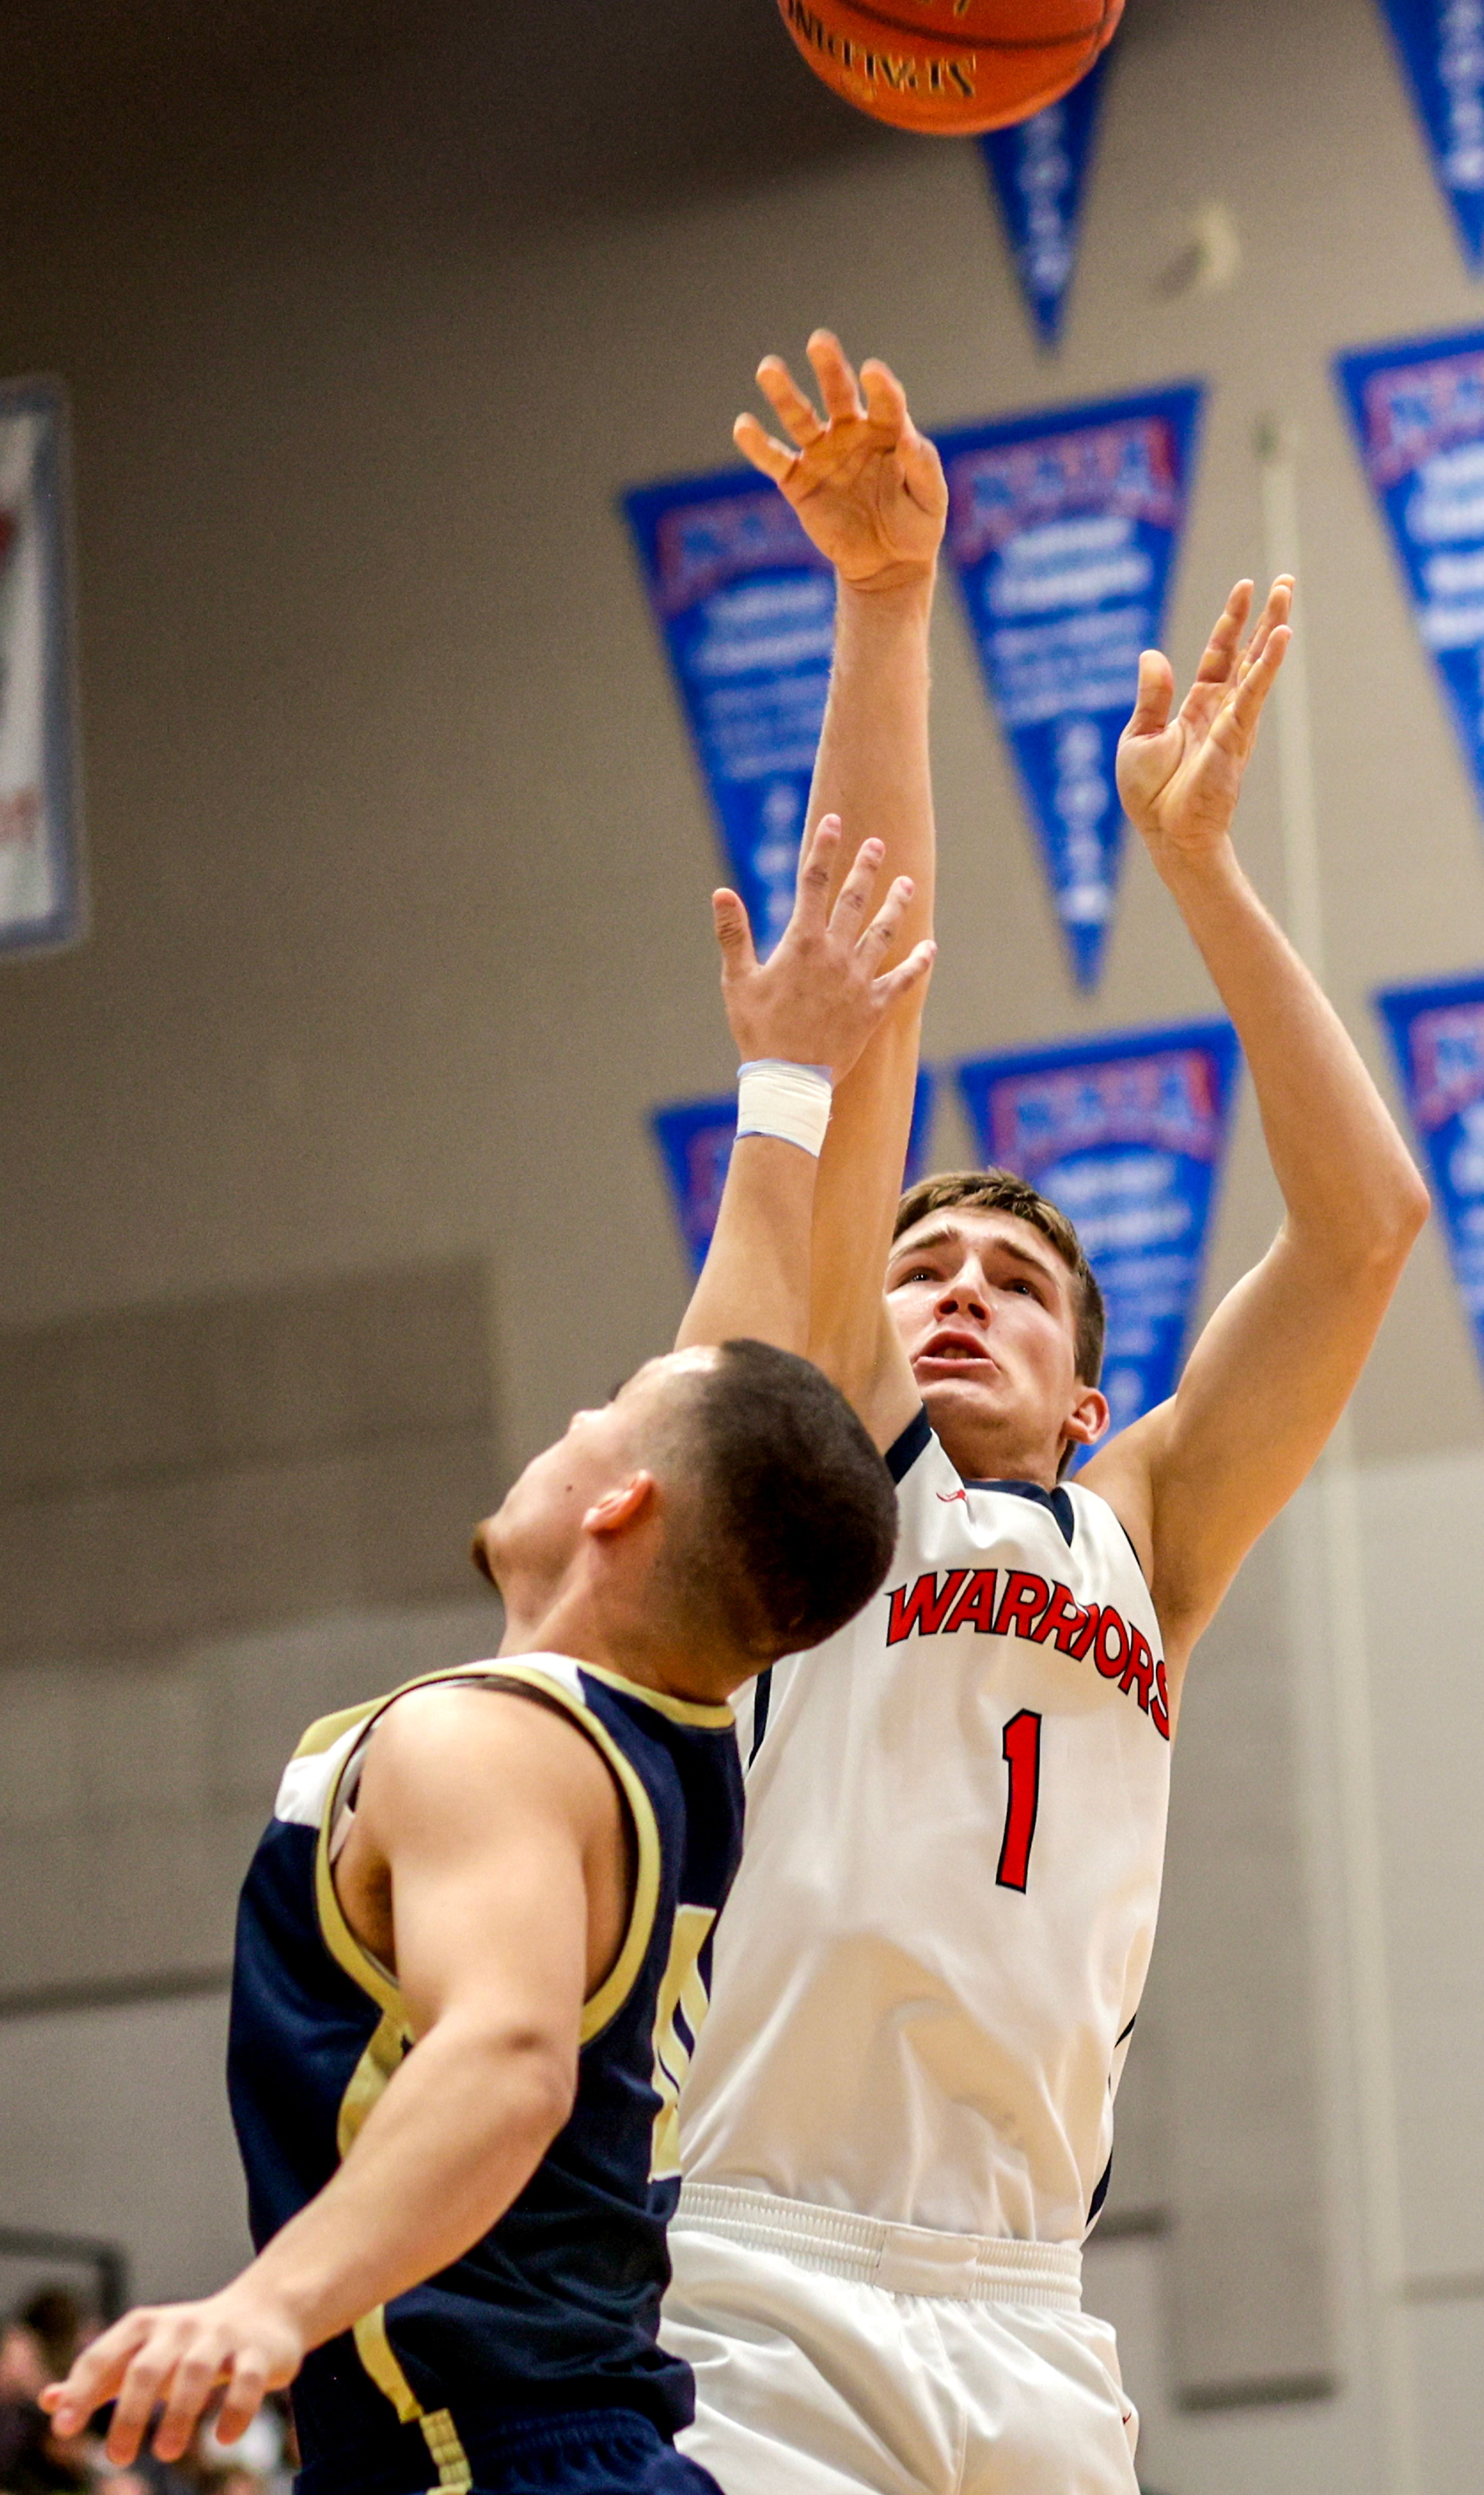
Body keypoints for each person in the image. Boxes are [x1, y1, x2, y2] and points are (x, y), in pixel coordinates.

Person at [662, 336, 1430, 2495]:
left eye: (1015, 1278)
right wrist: (892, 612)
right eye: (923, 1271)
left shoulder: (1148, 1528)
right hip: (764, 2275)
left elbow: (1365, 1231)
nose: (960, 1290)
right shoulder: (827, 1485)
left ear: (1097, 1390)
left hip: (1029, 2309)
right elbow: (873, 988)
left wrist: (1199, 868)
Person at [43, 815, 934, 2495]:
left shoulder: (488, 1741)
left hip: (489, 2457)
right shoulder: (672, 1719)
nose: (572, 1417)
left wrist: (266, 2304)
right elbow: (735, 1367)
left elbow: (512, 2054)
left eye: (600, 1411)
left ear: (621, 1502)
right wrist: (788, 1090)